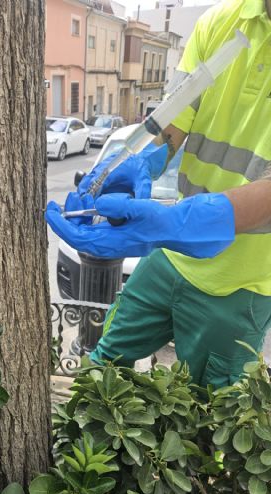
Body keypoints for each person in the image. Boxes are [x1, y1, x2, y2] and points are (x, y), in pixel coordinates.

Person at [46, 0, 271, 387]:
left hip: (239, 285)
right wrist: (135, 161)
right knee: (101, 370)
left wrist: (173, 222)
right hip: (171, 258)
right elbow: (172, 122)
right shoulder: (221, 22)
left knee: (208, 413)